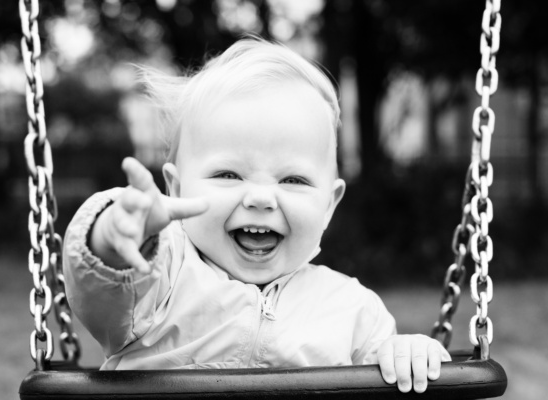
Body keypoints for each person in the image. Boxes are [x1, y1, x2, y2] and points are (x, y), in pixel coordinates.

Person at [63, 37, 450, 394]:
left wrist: (407, 353)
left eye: (294, 179)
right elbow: (102, 285)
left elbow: (388, 375)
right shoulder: (160, 275)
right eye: (228, 175)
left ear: (329, 205)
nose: (262, 198)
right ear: (176, 190)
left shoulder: (352, 310)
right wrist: (114, 235)